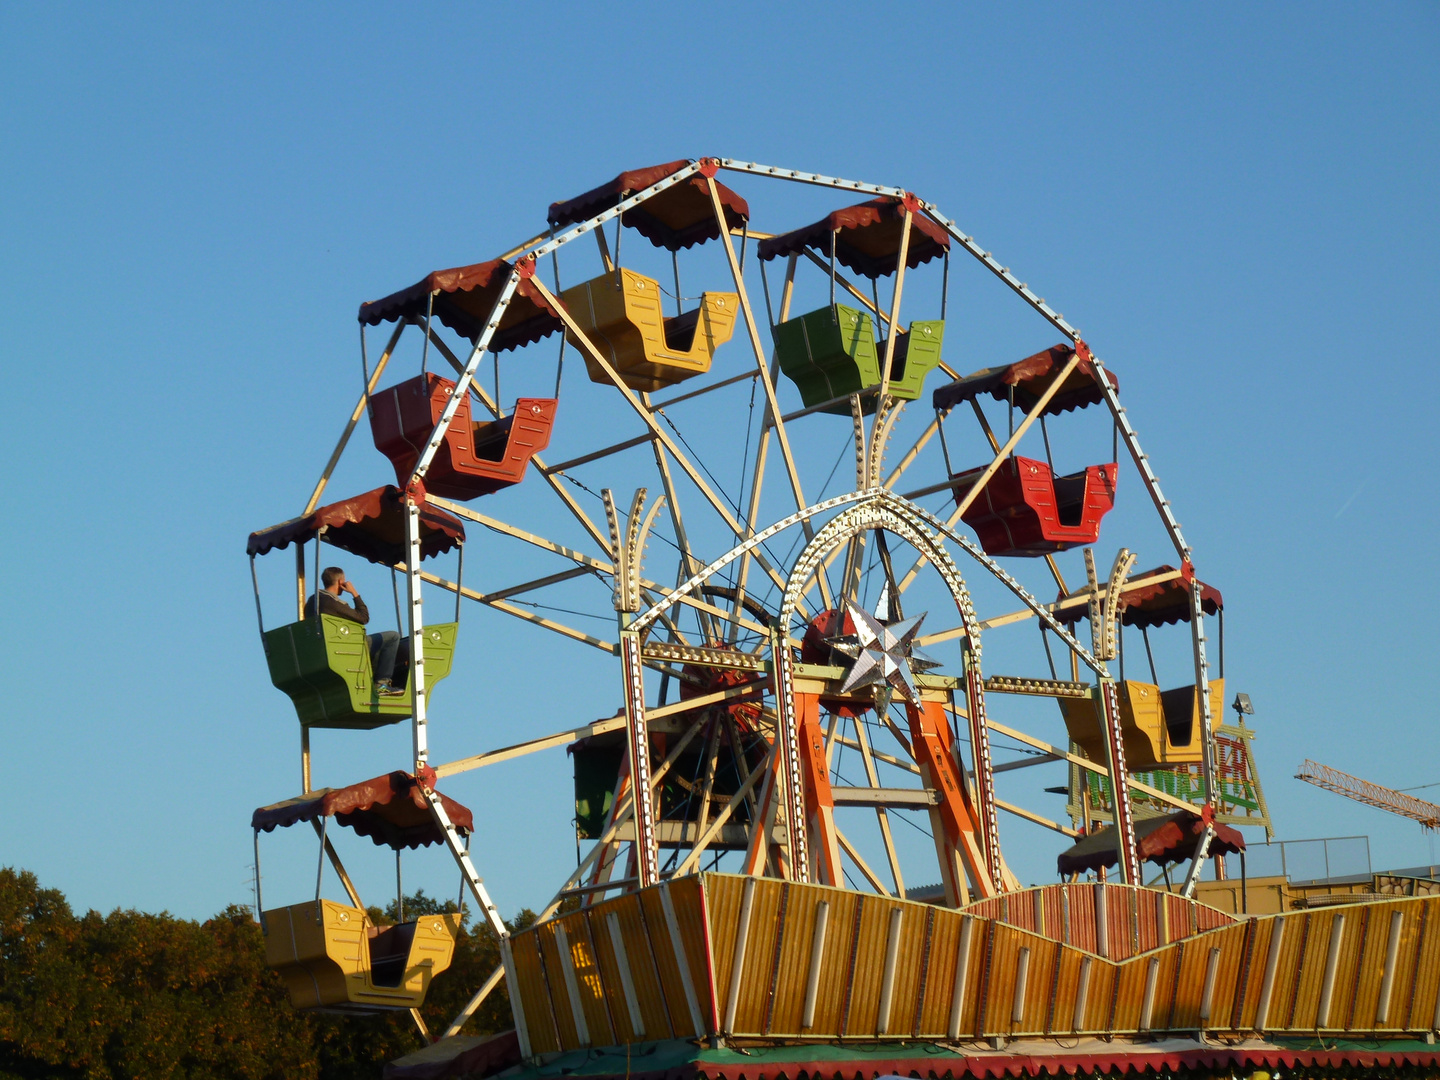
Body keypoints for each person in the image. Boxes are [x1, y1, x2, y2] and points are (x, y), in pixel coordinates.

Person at [307, 566, 407, 696]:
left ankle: (375, 676)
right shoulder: (333, 603)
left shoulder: (311, 601)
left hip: (325, 647)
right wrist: (354, 593)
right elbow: (363, 617)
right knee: (392, 637)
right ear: (340, 582)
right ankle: (381, 684)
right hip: (347, 646)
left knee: (377, 646)